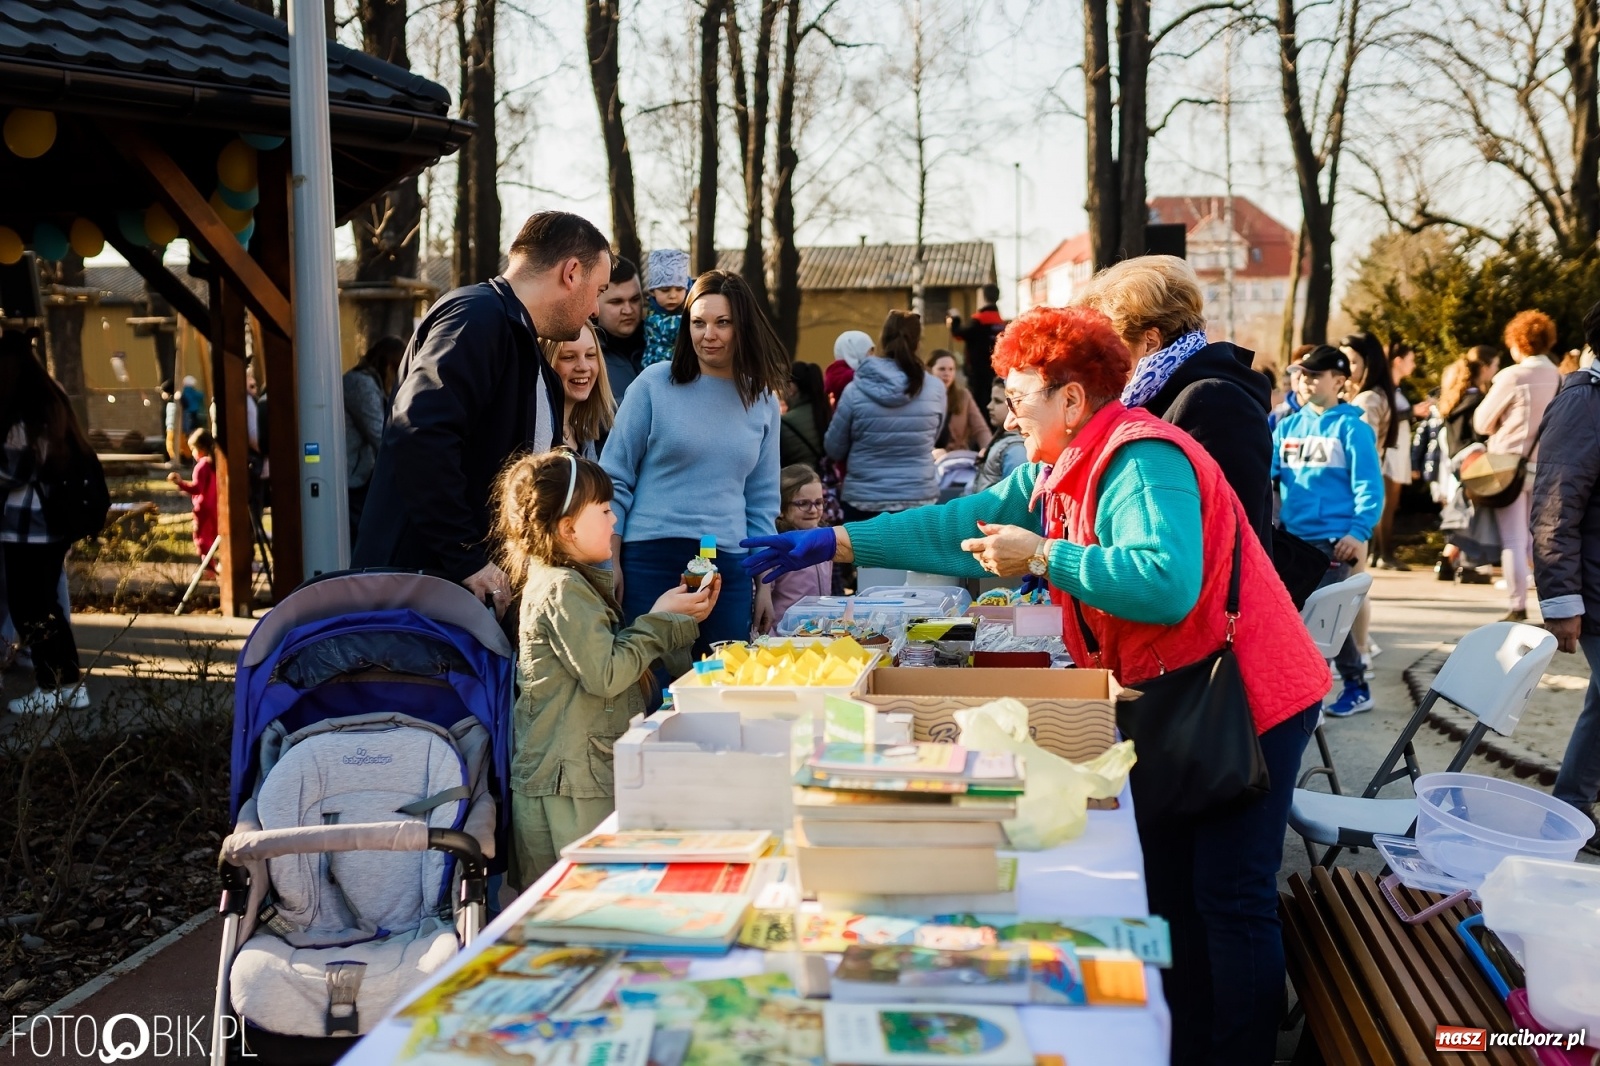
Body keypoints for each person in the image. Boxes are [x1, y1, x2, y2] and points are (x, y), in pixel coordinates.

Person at [743, 305, 1328, 1066]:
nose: (1007, 415)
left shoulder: (1141, 457)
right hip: (1186, 694)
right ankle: (1185, 1043)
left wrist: (1046, 557)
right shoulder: (1059, 467)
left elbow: (1165, 582)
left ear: (1071, 399)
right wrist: (834, 540)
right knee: (1176, 890)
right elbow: (958, 523)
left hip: (1246, 697)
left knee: (1229, 896)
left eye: (1018, 399)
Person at [353, 211, 612, 617]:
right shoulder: (476, 317)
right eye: (599, 290)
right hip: (420, 597)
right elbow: (418, 433)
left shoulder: (521, 344)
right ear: (571, 273)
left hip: (458, 596)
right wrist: (467, 558)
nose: (596, 309)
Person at [493, 450, 717, 887]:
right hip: (568, 788)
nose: (615, 521)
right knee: (574, 900)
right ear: (568, 528)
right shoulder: (562, 588)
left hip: (578, 778)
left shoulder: (572, 583)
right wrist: (661, 620)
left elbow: (613, 658)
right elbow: (607, 674)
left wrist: (674, 619)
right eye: (604, 510)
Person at [601, 270, 787, 649]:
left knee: (721, 675)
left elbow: (762, 501)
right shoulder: (653, 383)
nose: (708, 334)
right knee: (649, 676)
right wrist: (611, 561)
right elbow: (614, 479)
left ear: (743, 327)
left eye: (723, 323)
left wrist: (764, 585)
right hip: (649, 558)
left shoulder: (763, 400)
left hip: (728, 563)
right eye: (698, 322)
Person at [1073, 255, 1275, 550]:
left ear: (1150, 341)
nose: (1100, 363)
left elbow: (1225, 536)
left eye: (1108, 349)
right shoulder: (1153, 397)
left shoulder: (1215, 402)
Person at [1271, 346, 1384, 717]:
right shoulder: (1287, 427)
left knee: (1320, 622)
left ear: (1339, 381)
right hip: (1292, 540)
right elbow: (1267, 478)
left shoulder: (1354, 429)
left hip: (1334, 543)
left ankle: (1324, 696)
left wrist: (1357, 532)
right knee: (1317, 620)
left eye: (1315, 375)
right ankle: (1347, 687)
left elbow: (1370, 487)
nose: (1306, 381)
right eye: (1303, 374)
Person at [1531, 302, 1600, 854]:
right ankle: (1568, 815)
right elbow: (1554, 508)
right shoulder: (1583, 403)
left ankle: (1570, 813)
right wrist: (1561, 601)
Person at [1, 334, 95, 714]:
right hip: (53, 523)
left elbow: (15, 470)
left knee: (29, 609)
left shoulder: (24, 409)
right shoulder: (53, 399)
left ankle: (48, 687)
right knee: (48, 606)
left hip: (27, 524)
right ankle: (70, 685)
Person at [1475, 309, 1562, 621]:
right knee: (1539, 538)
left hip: (1507, 466)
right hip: (1545, 467)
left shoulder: (1512, 376)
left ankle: (1517, 606)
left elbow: (1482, 422)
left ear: (1519, 342)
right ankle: (1551, 605)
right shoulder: (1560, 377)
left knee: (1513, 539)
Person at [824, 310, 946, 522]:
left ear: (882, 340)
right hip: (919, 498)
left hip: (864, 500)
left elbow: (834, 449)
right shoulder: (935, 388)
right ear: (917, 343)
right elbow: (932, 437)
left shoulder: (856, 388)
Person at [1433, 347, 1499, 583]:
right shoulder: (1478, 400)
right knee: (1475, 512)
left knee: (1466, 508)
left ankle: (1448, 559)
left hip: (1457, 461)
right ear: (1484, 368)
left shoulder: (1455, 399)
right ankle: (1471, 565)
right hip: (1476, 458)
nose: (1496, 370)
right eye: (1495, 366)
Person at [343, 335, 404, 541]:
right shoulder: (362, 385)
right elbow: (380, 434)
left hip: (357, 474)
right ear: (389, 367)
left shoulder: (363, 382)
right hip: (353, 479)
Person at [765, 464, 831, 629]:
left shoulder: (827, 539)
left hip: (820, 631)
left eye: (819, 502)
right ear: (781, 508)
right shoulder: (776, 546)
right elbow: (761, 597)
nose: (813, 510)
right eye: (803, 503)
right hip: (783, 635)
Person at [1370, 341, 1416, 570]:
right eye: (1411, 360)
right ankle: (1384, 553)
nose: (1414, 365)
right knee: (1386, 502)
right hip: (1390, 451)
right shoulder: (1384, 390)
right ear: (1398, 361)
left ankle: (1377, 552)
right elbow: (1387, 416)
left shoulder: (1395, 389)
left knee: (1389, 503)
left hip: (1398, 450)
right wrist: (1413, 411)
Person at [543, 322, 615, 460]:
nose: (583, 367)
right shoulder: (536, 436)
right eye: (568, 357)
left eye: (590, 355)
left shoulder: (584, 435)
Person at [945, 283, 1006, 409]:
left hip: (977, 373)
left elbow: (959, 334)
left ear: (982, 297)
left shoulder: (979, 320)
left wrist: (955, 319)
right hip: (996, 371)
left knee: (978, 406)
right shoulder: (1001, 322)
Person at [168, 428, 219, 575]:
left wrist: (180, 483)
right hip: (215, 508)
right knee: (213, 538)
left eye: (193, 449)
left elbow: (197, 488)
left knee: (201, 540)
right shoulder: (216, 464)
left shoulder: (201, 466)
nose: (192, 453)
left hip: (203, 509)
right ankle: (213, 567)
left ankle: (209, 569)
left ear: (201, 449)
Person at [596, 255, 646, 402]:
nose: (628, 310)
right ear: (595, 302)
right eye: (616, 302)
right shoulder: (585, 355)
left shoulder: (663, 343)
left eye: (635, 299)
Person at [927, 349, 993, 454]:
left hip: (957, 456)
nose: (947, 374)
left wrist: (988, 451)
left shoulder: (963, 396)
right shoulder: (922, 397)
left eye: (951, 369)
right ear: (930, 371)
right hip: (928, 456)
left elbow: (980, 429)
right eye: (942, 369)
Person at [969, 378, 1027, 494]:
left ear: (1015, 405)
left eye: (997, 401)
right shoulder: (1005, 440)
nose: (989, 406)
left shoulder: (1016, 448)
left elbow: (1014, 496)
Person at [639, 249, 690, 368]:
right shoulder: (650, 315)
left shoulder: (690, 313)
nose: (673, 295)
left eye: (679, 289)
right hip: (654, 369)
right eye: (665, 290)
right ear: (652, 291)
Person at [780, 361, 831, 471]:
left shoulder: (785, 423)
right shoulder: (825, 412)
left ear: (792, 387)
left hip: (797, 478)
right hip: (822, 478)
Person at [826, 330, 871, 409]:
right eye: (869, 351)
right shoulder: (853, 377)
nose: (872, 356)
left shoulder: (836, 375)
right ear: (855, 351)